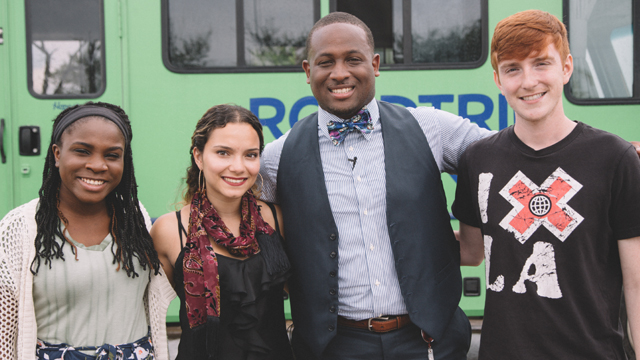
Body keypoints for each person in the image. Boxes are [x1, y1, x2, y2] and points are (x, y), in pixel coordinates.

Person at [259, 12, 492, 360]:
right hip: (333, 348)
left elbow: (503, 159)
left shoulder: (431, 128)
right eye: (326, 62)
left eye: (353, 59)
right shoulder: (275, 159)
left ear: (375, 63)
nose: (340, 73)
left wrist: (472, 237)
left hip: (430, 342)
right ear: (308, 72)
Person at [452, 10, 640, 359]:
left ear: (566, 67)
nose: (528, 81)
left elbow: (637, 284)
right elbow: (473, 251)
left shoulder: (614, 158)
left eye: (541, 63)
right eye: (512, 68)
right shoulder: (477, 160)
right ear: (497, 79)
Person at [0, 102, 176, 360]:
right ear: (57, 154)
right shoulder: (22, 227)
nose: (97, 165)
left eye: (112, 155)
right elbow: (4, 333)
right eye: (82, 151)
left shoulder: (135, 218)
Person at [151, 104, 293, 360]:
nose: (238, 167)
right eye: (223, 153)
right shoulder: (170, 230)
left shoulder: (276, 219)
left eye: (250, 155)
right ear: (198, 156)